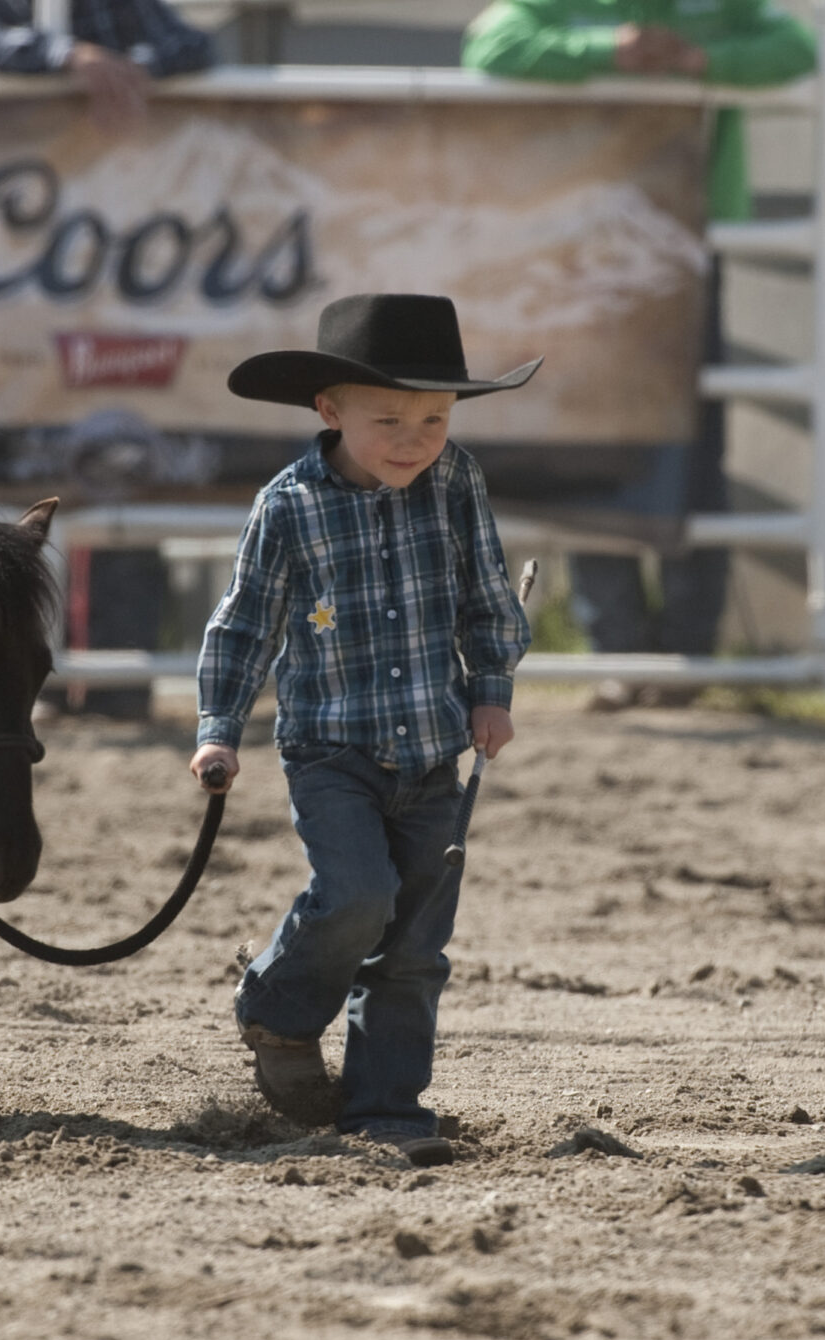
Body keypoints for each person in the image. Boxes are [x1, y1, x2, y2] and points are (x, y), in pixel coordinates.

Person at [190, 294, 536, 1168]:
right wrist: (219, 727)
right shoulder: (289, 505)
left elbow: (487, 596)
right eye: (388, 418)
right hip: (331, 751)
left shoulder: (457, 482)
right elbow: (244, 625)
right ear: (329, 409)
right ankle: (277, 1001)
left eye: (434, 416)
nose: (415, 437)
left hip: (432, 749)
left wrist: (491, 689)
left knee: (416, 941)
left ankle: (386, 1109)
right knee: (357, 893)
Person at [464, 0, 815, 686]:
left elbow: (797, 48)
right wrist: (608, 51)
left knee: (690, 442)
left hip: (675, 244)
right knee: (599, 445)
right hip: (590, 248)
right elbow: (491, 43)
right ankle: (622, 652)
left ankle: (686, 652)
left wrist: (699, 62)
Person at [0, 0, 216, 716]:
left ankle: (115, 683)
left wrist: (122, 71)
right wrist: (69, 62)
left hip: (95, 241)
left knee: (122, 457)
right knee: (9, 473)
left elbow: (191, 47)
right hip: (25, 245)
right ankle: (27, 682)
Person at [0, 0, 214, 126]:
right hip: (0, 157)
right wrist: (65, 54)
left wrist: (131, 69)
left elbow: (193, 44)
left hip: (105, 170)